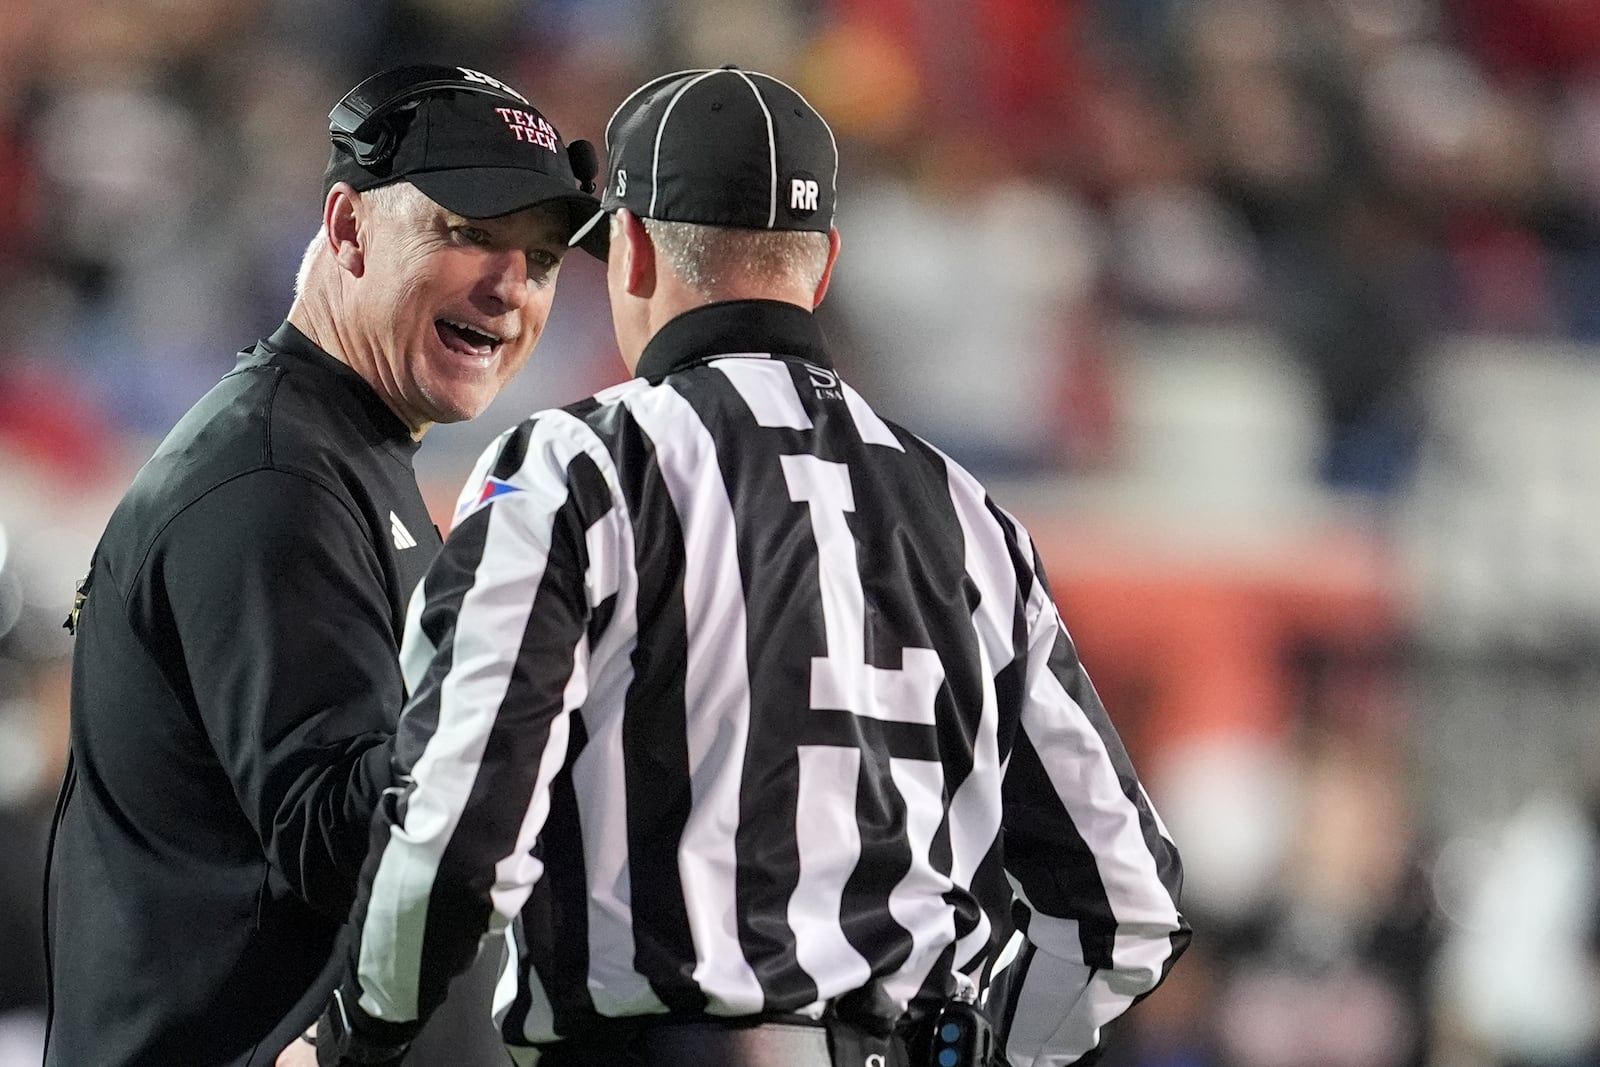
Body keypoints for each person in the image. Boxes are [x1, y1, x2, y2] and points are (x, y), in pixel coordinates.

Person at [297, 65, 1190, 1067]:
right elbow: (1128, 908)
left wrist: (360, 1030)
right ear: (823, 264)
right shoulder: (972, 515)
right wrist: (989, 1052)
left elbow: (461, 833)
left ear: (629, 248)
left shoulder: (577, 468)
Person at [42, 63, 605, 1067]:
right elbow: (343, 839)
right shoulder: (273, 482)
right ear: (347, 229)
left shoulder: (335, 452)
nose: (511, 285)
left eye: (543, 257)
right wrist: (529, 667)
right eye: (469, 232)